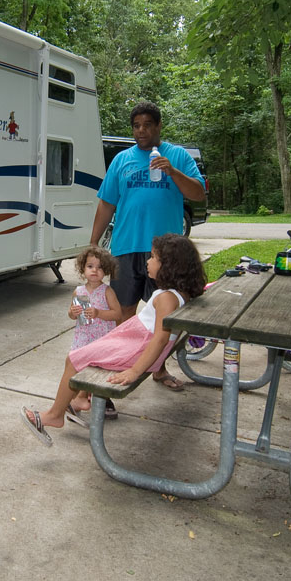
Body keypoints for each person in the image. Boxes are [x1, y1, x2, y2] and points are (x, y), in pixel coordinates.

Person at [20, 234, 206, 444]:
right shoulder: (176, 292)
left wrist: (135, 371)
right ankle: (80, 400)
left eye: (153, 257)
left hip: (137, 348)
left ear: (169, 266)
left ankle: (54, 416)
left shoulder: (167, 298)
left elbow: (159, 340)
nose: (147, 261)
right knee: (80, 356)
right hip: (134, 341)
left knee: (73, 359)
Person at [90, 101, 205, 391]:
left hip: (165, 254)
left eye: (147, 125)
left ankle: (159, 369)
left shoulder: (177, 155)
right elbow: (106, 204)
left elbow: (199, 194)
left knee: (164, 318)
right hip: (126, 247)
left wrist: (173, 172)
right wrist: (94, 244)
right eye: (136, 126)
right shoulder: (122, 160)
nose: (141, 131)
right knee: (125, 313)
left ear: (158, 126)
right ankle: (121, 367)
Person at [64, 245, 123, 425]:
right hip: (83, 336)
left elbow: (117, 314)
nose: (95, 270)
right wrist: (73, 313)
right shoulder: (79, 291)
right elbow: (72, 315)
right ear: (83, 268)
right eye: (90, 266)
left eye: (99, 267)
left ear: (106, 271)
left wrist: (98, 313)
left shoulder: (107, 291)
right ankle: (79, 398)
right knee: (78, 367)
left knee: (92, 369)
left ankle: (81, 399)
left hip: (100, 338)